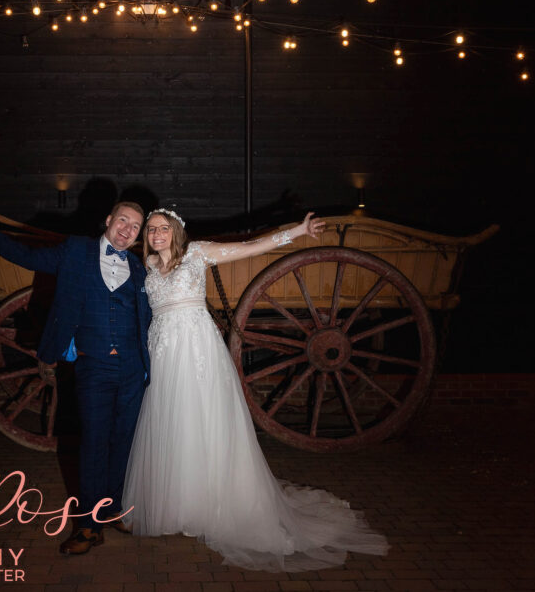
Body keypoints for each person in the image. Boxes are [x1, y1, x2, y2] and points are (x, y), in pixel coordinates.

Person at [122, 208, 389, 572]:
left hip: (196, 348)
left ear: (177, 231)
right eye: (151, 229)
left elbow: (250, 248)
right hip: (163, 350)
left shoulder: (197, 253)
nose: (156, 235)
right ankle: (177, 505)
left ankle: (213, 505)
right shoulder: (147, 267)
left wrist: (297, 230)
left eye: (163, 228)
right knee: (172, 423)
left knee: (204, 420)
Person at [0, 198, 152, 555]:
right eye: (123, 221)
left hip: (132, 370)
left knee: (124, 442)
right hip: (93, 367)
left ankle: (111, 510)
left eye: (135, 227)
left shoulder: (139, 268)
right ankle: (89, 526)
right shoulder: (76, 251)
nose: (127, 230)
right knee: (94, 443)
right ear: (109, 220)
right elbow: (28, 257)